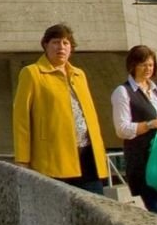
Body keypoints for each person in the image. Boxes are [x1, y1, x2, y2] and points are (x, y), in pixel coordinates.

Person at [13, 23, 107, 196]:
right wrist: (22, 160)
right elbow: (21, 120)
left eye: (65, 43)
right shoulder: (32, 73)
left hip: (87, 156)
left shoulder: (79, 75)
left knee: (96, 210)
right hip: (54, 159)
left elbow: (90, 115)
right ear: (45, 45)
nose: (61, 47)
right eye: (56, 42)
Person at [111, 45, 157, 221]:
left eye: (150, 65)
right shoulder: (123, 92)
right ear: (133, 65)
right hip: (144, 163)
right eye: (143, 65)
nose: (148, 69)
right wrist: (153, 124)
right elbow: (122, 129)